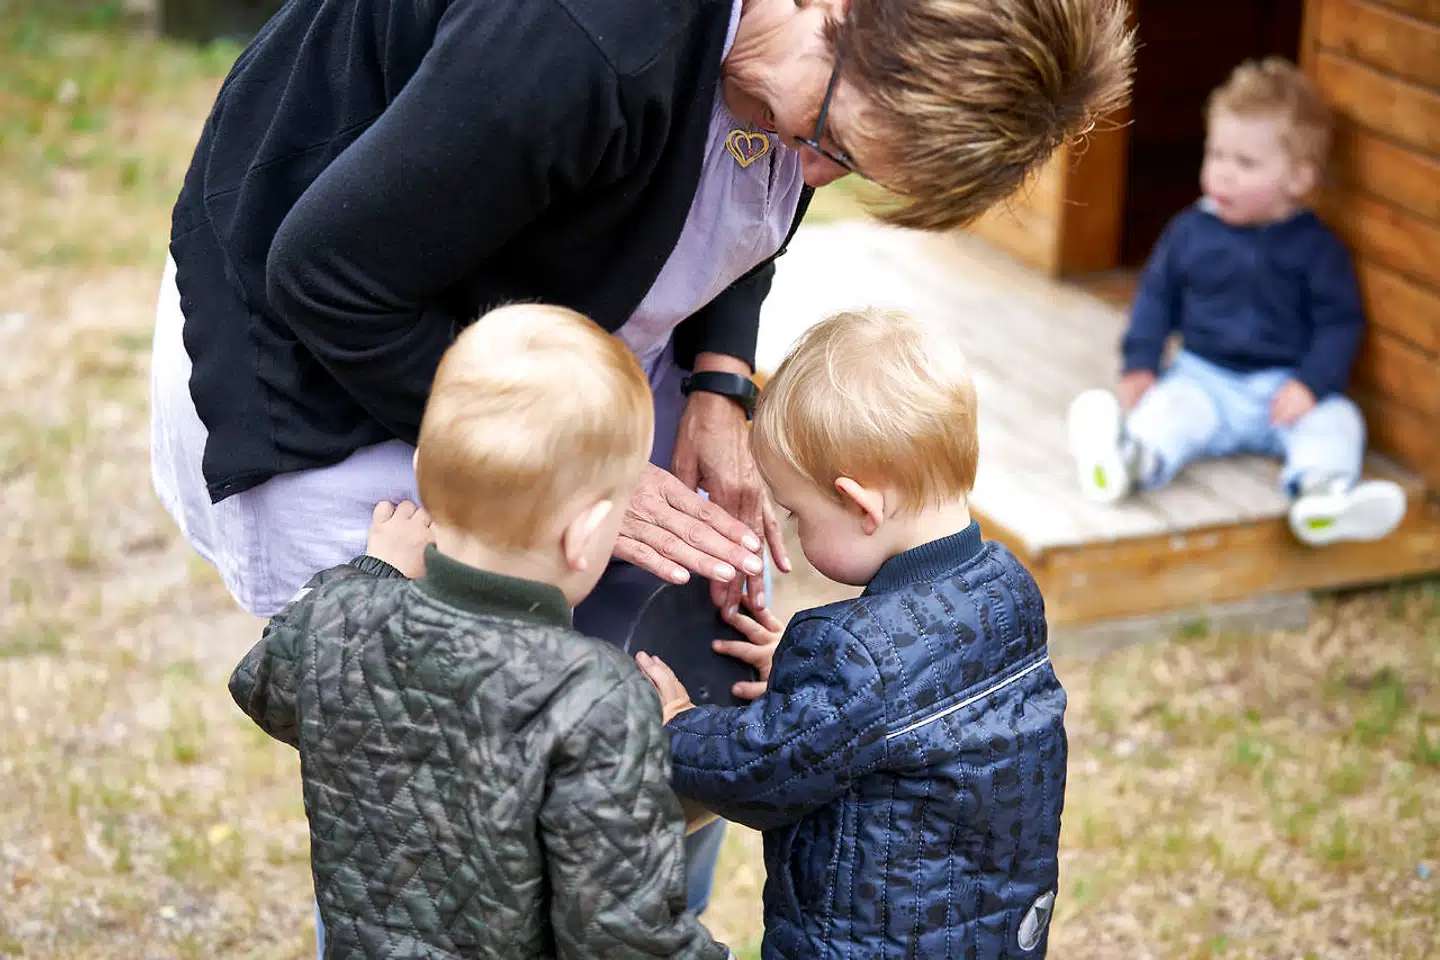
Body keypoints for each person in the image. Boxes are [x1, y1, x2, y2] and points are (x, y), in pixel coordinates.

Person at [150, 0, 1131, 919]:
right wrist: (567, 470)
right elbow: (331, 278)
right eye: (834, 145)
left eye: (855, 170)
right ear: (840, 11)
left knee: (645, 708)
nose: (818, 175)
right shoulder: (583, 36)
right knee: (453, 808)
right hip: (344, 353)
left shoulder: (792, 69)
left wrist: (718, 381)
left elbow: (753, 188)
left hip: (562, 342)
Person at [229, 305, 733, 959]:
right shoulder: (597, 698)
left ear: (422, 470)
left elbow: (263, 682)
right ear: (586, 537)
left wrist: (373, 572)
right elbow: (622, 935)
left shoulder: (340, 618)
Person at [637, 309, 1068, 957]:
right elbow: (914, 697)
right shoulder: (1008, 586)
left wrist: (677, 724)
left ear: (862, 506)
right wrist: (804, 672)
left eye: (796, 512)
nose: (792, 531)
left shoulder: (853, 657)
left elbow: (759, 770)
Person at [1065, 57, 1407, 545]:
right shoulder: (1190, 231)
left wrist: (1311, 385)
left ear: (1300, 179)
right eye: (1217, 154)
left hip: (1281, 391)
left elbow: (1339, 323)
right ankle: (1127, 460)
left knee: (1338, 421)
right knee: (1169, 412)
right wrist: (1140, 363)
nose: (1223, 173)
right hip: (1204, 378)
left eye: (1245, 163)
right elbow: (1156, 298)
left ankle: (1321, 496)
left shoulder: (1318, 249)